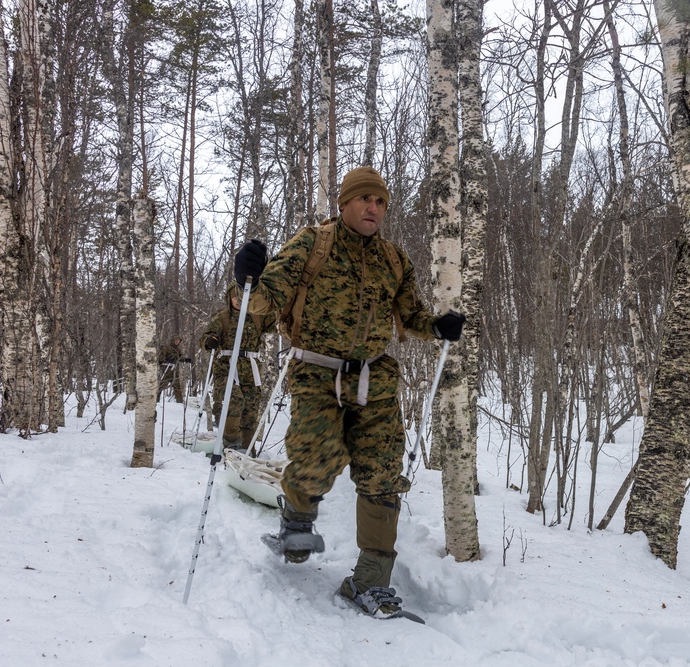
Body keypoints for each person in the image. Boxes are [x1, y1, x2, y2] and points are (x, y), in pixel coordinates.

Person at [233, 166, 465, 618]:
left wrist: (437, 326)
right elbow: (263, 301)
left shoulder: (394, 260)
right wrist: (248, 280)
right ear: (344, 204)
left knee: (382, 473)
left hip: (375, 380)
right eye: (364, 200)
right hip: (317, 374)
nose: (373, 208)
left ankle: (370, 583)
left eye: (380, 202)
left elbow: (411, 315)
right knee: (318, 458)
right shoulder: (311, 244)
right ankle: (297, 515)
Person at [199, 286, 277, 450]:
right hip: (226, 367)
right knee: (233, 399)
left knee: (250, 408)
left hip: (250, 368)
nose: (239, 301)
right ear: (229, 298)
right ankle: (231, 441)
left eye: (243, 297)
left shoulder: (257, 316)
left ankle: (247, 450)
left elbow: (276, 321)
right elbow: (206, 336)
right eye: (236, 297)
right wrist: (209, 341)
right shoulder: (222, 317)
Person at [158, 335, 190, 403]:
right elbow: (161, 358)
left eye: (178, 341)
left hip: (175, 370)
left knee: (177, 386)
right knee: (162, 385)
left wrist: (185, 359)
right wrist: (166, 360)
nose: (177, 342)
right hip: (167, 369)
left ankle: (180, 402)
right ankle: (156, 400)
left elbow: (180, 358)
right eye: (176, 340)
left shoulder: (177, 349)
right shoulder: (167, 347)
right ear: (173, 340)